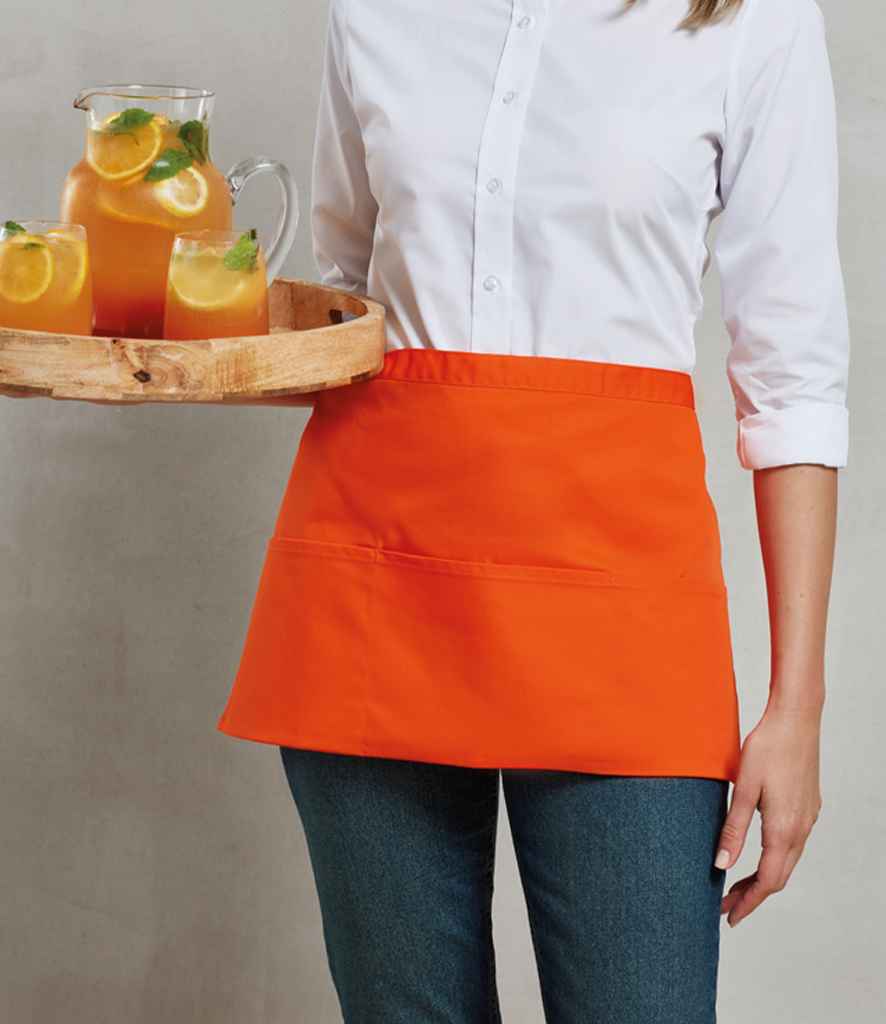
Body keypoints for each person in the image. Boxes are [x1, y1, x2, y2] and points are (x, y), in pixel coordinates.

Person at [216, 0, 850, 1020]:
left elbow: (793, 385)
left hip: (623, 603)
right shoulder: (377, 12)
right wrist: (158, 325)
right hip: (377, 588)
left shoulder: (754, 20)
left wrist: (796, 707)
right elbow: (342, 297)